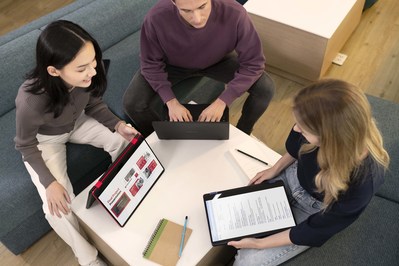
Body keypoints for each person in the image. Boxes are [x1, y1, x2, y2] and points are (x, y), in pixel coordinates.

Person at [14, 20, 139, 266]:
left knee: (124, 143)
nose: (92, 72)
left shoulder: (88, 74)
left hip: (78, 122)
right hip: (45, 139)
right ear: (53, 71)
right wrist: (49, 183)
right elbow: (25, 145)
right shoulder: (30, 101)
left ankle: (125, 200)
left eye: (93, 62)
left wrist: (118, 125)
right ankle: (89, 258)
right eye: (82, 68)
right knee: (57, 206)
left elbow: (93, 104)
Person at [228, 79, 390, 265]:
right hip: (291, 178)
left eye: (303, 129)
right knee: (232, 222)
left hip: (316, 211)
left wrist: (260, 243)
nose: (296, 129)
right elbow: (294, 149)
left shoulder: (365, 178)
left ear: (331, 138)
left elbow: (319, 227)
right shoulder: (310, 117)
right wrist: (275, 169)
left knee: (247, 262)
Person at [122, 0, 275, 137]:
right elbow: (150, 64)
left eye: (202, 6)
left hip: (218, 61)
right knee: (132, 103)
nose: (197, 18)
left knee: (265, 88)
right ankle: (159, 140)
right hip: (172, 65)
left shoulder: (235, 13)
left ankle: (243, 133)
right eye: (186, 11)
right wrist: (171, 102)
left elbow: (254, 63)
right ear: (173, 3)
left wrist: (223, 101)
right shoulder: (155, 18)